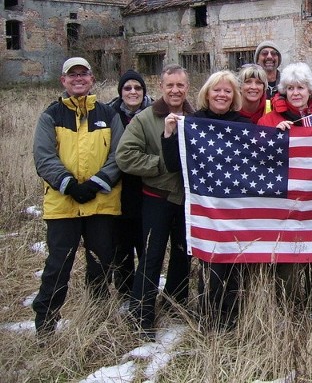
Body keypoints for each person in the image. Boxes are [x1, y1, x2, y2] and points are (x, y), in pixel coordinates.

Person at [32, 57, 123, 342]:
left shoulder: (109, 114)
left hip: (101, 203)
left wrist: (97, 183)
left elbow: (120, 155)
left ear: (92, 78)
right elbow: (44, 157)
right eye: (72, 76)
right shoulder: (51, 116)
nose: (78, 79)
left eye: (83, 74)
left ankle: (95, 317)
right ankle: (45, 324)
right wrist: (69, 184)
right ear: (64, 81)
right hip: (63, 205)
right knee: (58, 265)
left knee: (101, 263)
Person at [163, 70, 250, 331]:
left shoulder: (244, 124)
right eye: (217, 90)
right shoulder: (194, 122)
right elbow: (172, 164)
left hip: (236, 206)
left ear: (234, 96)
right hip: (206, 206)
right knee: (210, 263)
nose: (222, 94)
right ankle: (209, 320)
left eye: (227, 91)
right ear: (207, 94)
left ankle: (233, 318)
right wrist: (170, 134)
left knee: (235, 263)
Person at [116, 64, 194, 341]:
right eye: (170, 85)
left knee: (183, 256)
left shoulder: (196, 118)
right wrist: (161, 164)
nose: (175, 90)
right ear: (161, 87)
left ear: (187, 87)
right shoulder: (146, 119)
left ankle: (175, 304)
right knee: (151, 257)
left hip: (186, 201)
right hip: (156, 199)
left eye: (180, 85)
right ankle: (142, 315)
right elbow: (125, 156)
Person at [258, 62, 312, 306]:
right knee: (289, 257)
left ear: (310, 91)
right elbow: (258, 158)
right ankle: (290, 305)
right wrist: (274, 136)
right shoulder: (269, 120)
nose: (296, 93)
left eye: (301, 88)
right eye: (291, 88)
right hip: (285, 201)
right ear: (284, 91)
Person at [108, 69, 153, 297]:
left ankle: (144, 293)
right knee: (122, 246)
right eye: (128, 88)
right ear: (121, 92)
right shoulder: (110, 114)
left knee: (146, 246)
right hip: (119, 191)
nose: (133, 92)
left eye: (138, 88)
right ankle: (125, 293)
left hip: (147, 190)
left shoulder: (155, 112)